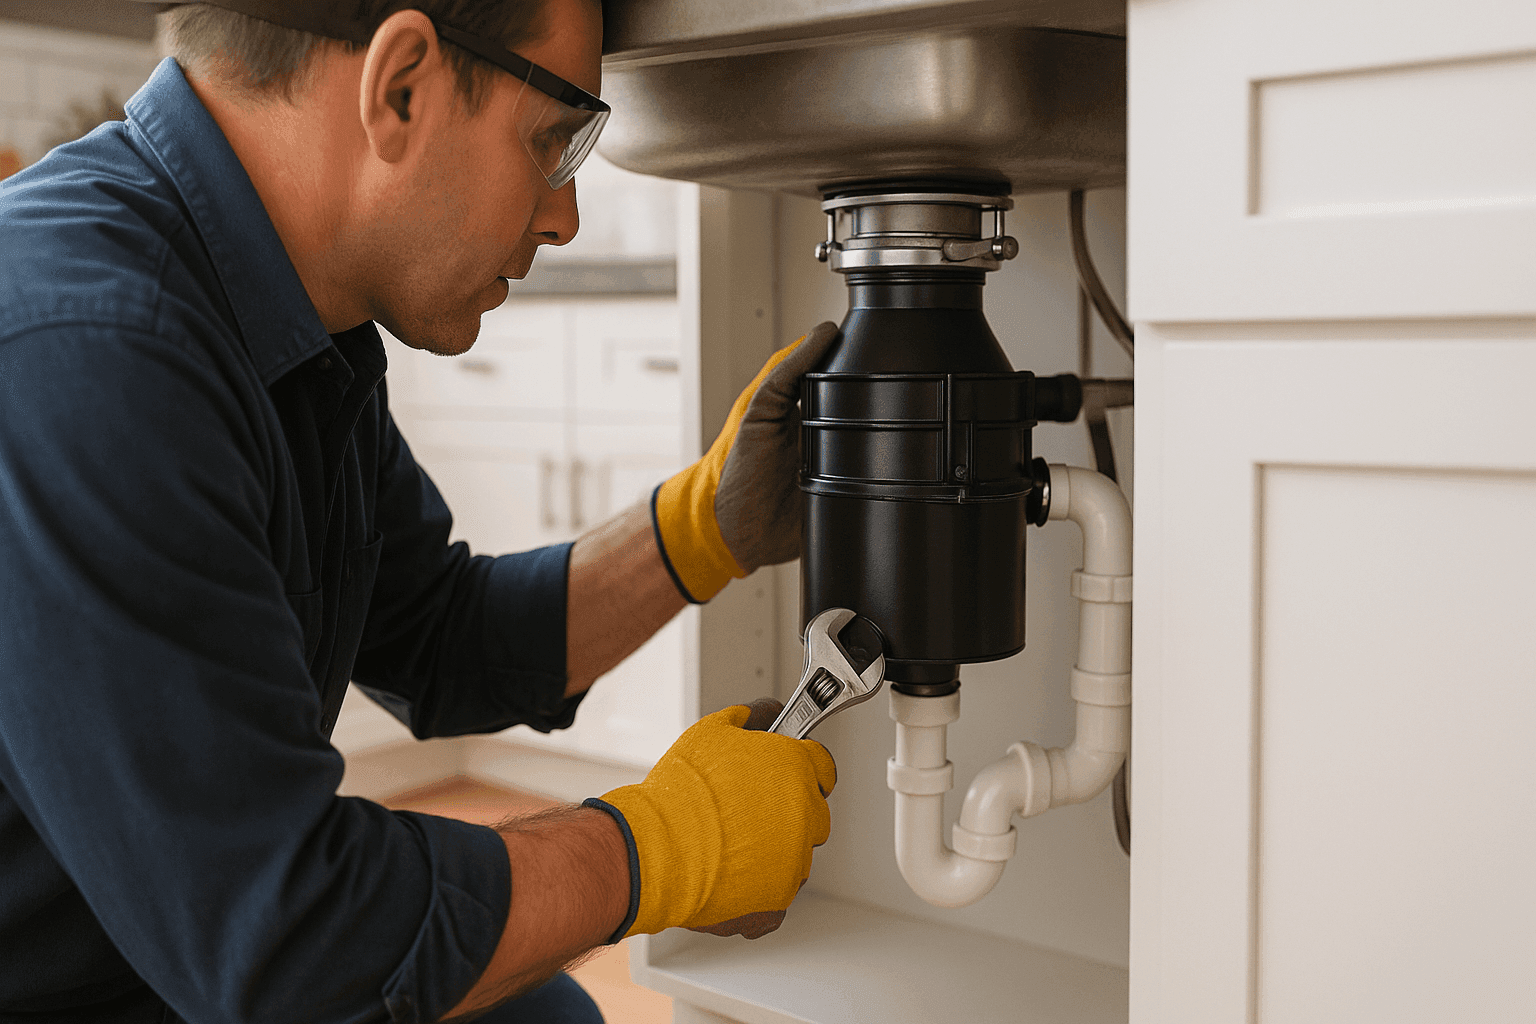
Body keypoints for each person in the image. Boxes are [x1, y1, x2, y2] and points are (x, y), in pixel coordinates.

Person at [0, 1, 841, 1021]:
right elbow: (289, 944)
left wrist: (706, 527)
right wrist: (663, 845)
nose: (564, 214)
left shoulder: (289, 316)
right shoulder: (88, 348)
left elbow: (439, 636)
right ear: (400, 85)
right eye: (553, 138)